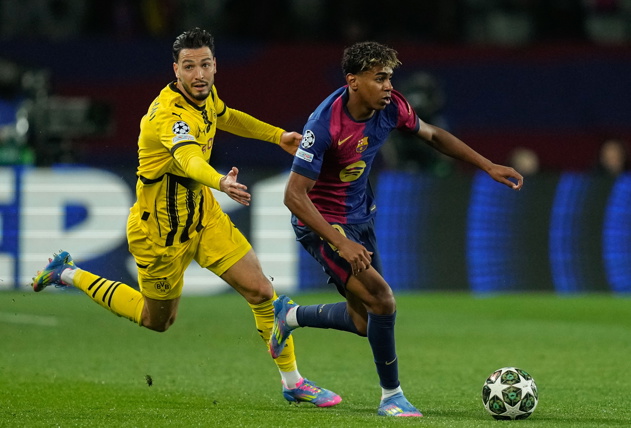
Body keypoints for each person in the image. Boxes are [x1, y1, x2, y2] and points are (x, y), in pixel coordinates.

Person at [31, 27, 340, 408]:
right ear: (175, 70)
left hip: (203, 216)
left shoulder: (206, 97)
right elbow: (189, 158)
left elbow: (226, 116)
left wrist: (277, 136)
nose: (199, 74)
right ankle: (67, 273)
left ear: (215, 66)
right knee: (157, 320)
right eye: (189, 66)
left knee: (262, 291)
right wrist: (220, 182)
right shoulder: (168, 116)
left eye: (205, 65)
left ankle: (293, 382)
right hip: (159, 234)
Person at [270, 41, 523, 417]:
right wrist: (340, 242)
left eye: (389, 77)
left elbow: (433, 135)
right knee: (383, 300)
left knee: (363, 320)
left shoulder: (392, 108)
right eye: (379, 78)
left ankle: (289, 316)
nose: (388, 86)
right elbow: (294, 196)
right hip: (322, 224)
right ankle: (392, 397)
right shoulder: (324, 126)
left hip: (360, 217)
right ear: (353, 82)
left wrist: (487, 165)